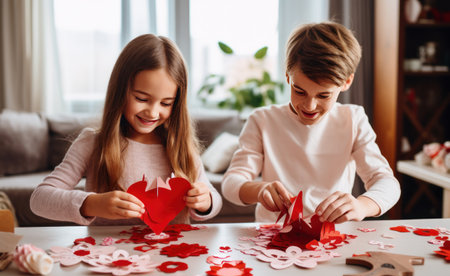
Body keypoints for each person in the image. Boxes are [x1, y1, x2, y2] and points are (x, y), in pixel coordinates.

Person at [31, 34, 222, 225]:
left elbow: (214, 198)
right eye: (141, 99)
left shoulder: (180, 146)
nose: (152, 112)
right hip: (110, 254)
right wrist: (91, 203)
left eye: (166, 103)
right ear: (120, 90)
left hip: (173, 253)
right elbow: (39, 199)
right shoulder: (93, 142)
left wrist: (206, 202)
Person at [222, 22, 400, 224]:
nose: (309, 105)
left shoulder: (353, 119)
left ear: (346, 82)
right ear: (288, 76)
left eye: (323, 95)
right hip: (273, 237)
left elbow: (387, 183)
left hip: (333, 237)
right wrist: (260, 189)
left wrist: (362, 205)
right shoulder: (262, 120)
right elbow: (231, 184)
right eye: (300, 91)